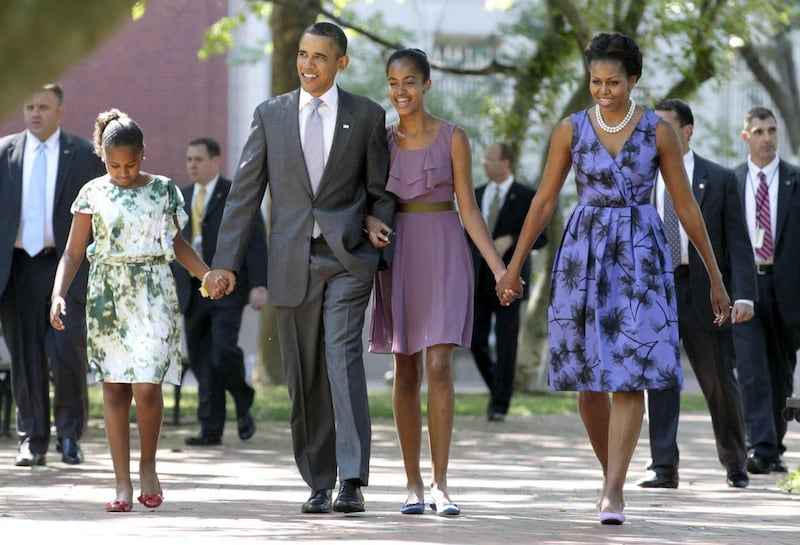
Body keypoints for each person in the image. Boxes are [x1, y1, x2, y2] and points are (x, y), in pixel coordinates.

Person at [495, 33, 731, 525]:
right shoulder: (570, 129)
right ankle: (612, 476)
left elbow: (686, 207)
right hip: (583, 254)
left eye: (614, 82)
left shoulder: (657, 132)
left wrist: (715, 276)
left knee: (629, 377)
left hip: (641, 257)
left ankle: (613, 492)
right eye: (596, 81)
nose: (603, 91)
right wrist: (513, 265)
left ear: (634, 80)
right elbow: (542, 202)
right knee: (587, 385)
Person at [206, 22, 395, 514]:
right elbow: (245, 194)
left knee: (340, 358)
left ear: (341, 63)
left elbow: (382, 191)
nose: (308, 65)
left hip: (349, 258)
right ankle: (318, 479)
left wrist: (378, 220)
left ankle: (351, 479)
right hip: (292, 262)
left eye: (319, 57)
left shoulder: (368, 115)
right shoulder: (270, 115)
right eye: (303, 55)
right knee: (303, 376)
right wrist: (224, 264)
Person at [49, 109, 219, 512]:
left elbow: (178, 245)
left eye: (130, 163)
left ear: (144, 153)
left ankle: (148, 467)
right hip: (107, 294)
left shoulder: (163, 190)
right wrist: (58, 294)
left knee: (146, 385)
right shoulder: (92, 192)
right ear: (102, 158)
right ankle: (121, 482)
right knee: (115, 387)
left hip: (154, 290)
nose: (122, 173)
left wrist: (207, 275)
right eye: (113, 165)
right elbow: (73, 254)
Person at [368, 48, 510, 517]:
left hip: (446, 250)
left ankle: (441, 484)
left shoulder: (454, 137)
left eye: (409, 81)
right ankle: (411, 483)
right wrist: (371, 224)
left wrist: (498, 268)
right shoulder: (380, 140)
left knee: (440, 365)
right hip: (399, 254)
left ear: (427, 85)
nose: (400, 91)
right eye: (393, 82)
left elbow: (469, 209)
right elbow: (366, 201)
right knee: (405, 367)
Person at [638, 99, 755, 490]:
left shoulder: (719, 178)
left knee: (719, 380)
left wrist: (744, 295)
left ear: (687, 131)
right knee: (660, 381)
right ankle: (663, 467)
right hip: (658, 290)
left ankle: (736, 463)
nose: (658, 134)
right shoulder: (643, 175)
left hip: (705, 292)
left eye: (667, 126)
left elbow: (738, 243)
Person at [0, 83, 105, 467]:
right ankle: (32, 439)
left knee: (67, 353)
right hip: (16, 268)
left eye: (43, 107)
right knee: (25, 357)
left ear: (60, 112)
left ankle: (70, 436)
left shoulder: (83, 156)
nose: (35, 113)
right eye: (29, 106)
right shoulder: (3, 153)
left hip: (67, 267)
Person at [173, 137, 268, 446]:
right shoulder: (180, 198)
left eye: (198, 159)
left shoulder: (235, 194)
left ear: (216, 161)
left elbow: (254, 240)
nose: (192, 165)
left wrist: (259, 284)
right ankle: (210, 428)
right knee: (201, 359)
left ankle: (243, 397)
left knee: (222, 352)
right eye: (189, 159)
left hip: (228, 288)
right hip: (191, 290)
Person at [732, 106, 800, 475]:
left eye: (772, 130)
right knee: (751, 369)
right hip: (746, 286)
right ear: (746, 137)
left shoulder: (795, 180)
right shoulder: (733, 181)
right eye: (758, 131)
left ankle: (773, 445)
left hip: (786, 287)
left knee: (780, 371)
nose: (767, 138)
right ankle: (759, 447)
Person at [470, 142, 547, 422]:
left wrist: (513, 240)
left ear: (506, 164)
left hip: (512, 282)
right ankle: (499, 389)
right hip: (478, 281)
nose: (484, 164)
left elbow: (543, 237)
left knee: (505, 345)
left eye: (489, 159)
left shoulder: (527, 196)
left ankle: (499, 405)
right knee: (475, 341)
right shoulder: (475, 195)